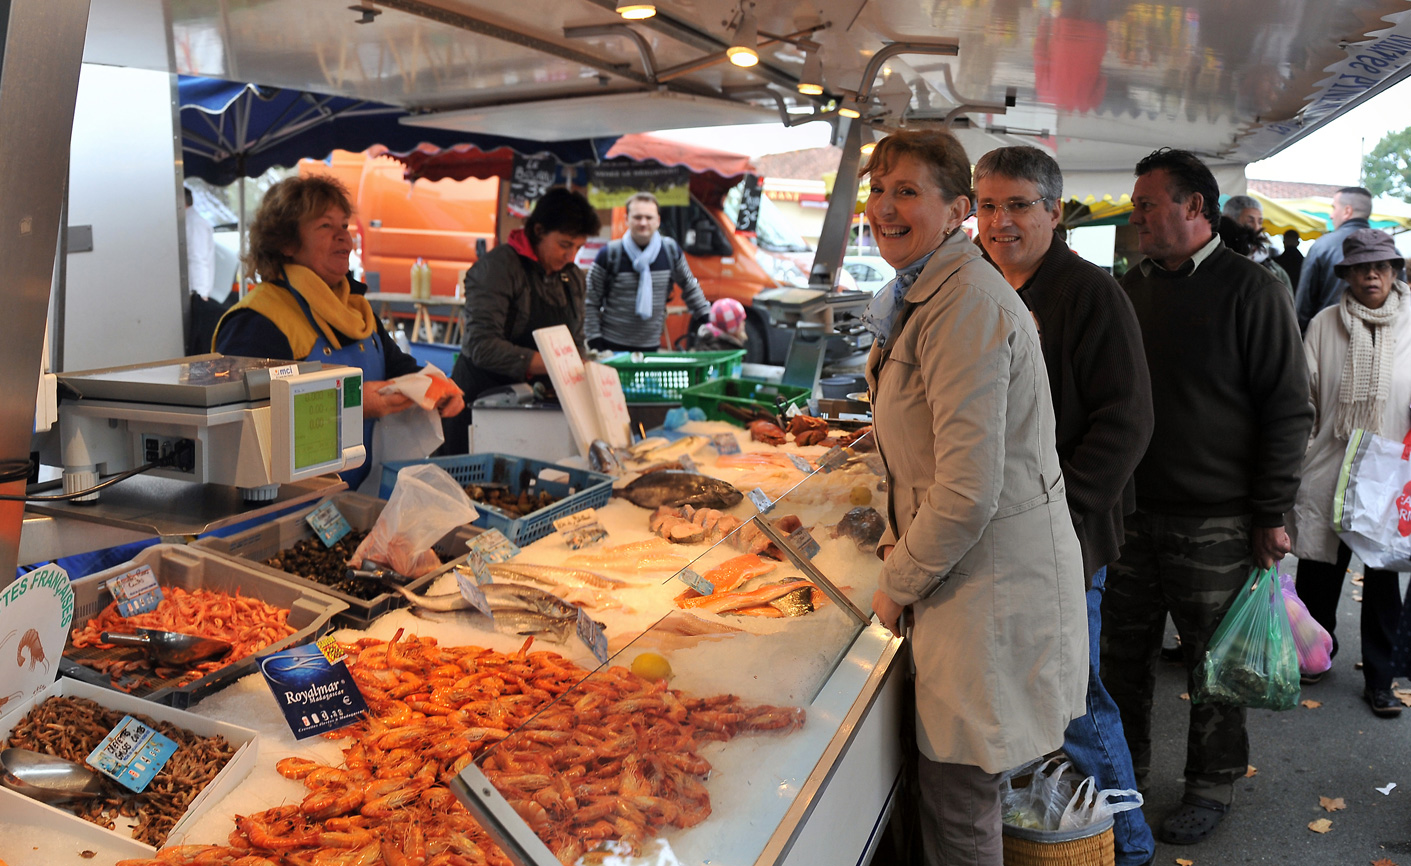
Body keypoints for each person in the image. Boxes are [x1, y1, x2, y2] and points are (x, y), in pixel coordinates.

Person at [862, 129, 1087, 866]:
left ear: (955, 208)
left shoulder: (966, 302)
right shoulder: (928, 290)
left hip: (987, 581)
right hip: (965, 571)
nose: (884, 208)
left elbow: (965, 490)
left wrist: (894, 587)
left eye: (906, 191)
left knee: (960, 799)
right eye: (877, 189)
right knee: (952, 790)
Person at [1101, 148, 1313, 846]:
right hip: (1129, 515)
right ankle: (1120, 774)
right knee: (1119, 657)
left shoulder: (1253, 290)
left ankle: (1210, 783)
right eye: (1134, 207)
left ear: (1194, 207)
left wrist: (1270, 514)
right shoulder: (1129, 290)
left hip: (1219, 518)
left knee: (1214, 666)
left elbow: (1287, 407)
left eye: (1145, 205)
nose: (1135, 219)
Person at [973, 145, 1156, 866]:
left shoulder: (1088, 292)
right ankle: (1058, 836)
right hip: (997, 535)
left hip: (1064, 536)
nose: (1000, 221)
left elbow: (1127, 419)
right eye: (987, 205)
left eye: (1017, 204)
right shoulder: (983, 287)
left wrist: (1058, 508)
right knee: (1037, 699)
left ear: (1053, 210)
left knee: (1072, 701)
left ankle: (1130, 847)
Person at [213, 176, 464, 490]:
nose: (344, 239)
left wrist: (437, 385)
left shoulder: (357, 308)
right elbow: (245, 424)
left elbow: (397, 366)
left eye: (345, 226)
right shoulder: (257, 319)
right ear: (286, 243)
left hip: (358, 494)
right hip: (286, 502)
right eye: (325, 227)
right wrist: (353, 407)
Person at [1289, 228, 1411, 718]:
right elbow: (1304, 400)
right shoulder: (1323, 324)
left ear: (1396, 271)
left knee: (1383, 580)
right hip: (1329, 467)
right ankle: (1318, 654)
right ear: (1347, 274)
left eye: (1381, 266)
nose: (1373, 275)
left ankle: (1381, 679)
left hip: (1389, 475)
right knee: (1320, 573)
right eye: (1362, 268)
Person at [444, 187, 601, 454]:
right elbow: (482, 346)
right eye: (564, 245)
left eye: (577, 247)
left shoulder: (572, 277)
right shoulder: (497, 269)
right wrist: (554, 363)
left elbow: (575, 342)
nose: (570, 256)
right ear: (538, 230)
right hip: (479, 406)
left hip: (534, 412)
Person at [584, 191, 710, 352]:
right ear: (626, 219)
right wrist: (595, 341)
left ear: (658, 220)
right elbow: (590, 301)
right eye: (637, 217)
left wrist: (707, 319)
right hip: (611, 349)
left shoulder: (670, 251)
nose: (643, 222)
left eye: (649, 217)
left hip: (651, 348)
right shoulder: (609, 254)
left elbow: (689, 286)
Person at [1295, 186, 1374, 331]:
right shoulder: (1391, 250)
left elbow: (1304, 306)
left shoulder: (1322, 246)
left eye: (1334, 208)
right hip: (1381, 343)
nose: (1331, 215)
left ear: (1347, 211)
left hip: (1329, 335)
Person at [1220, 194, 1292, 294]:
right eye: (1250, 221)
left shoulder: (1274, 270)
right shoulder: (1220, 259)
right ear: (1230, 220)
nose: (1256, 227)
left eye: (1260, 222)